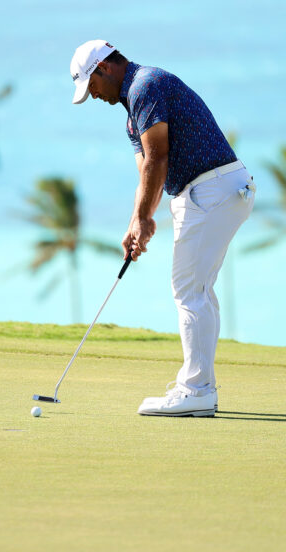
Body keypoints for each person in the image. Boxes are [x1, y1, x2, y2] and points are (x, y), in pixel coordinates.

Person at [69, 39, 255, 417]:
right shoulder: (131, 113)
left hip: (211, 187)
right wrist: (137, 221)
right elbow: (146, 171)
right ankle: (202, 387)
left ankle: (196, 390)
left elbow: (158, 156)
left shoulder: (145, 86)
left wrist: (145, 217)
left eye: (92, 86)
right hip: (215, 189)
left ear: (104, 68)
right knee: (198, 289)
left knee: (189, 291)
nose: (95, 96)